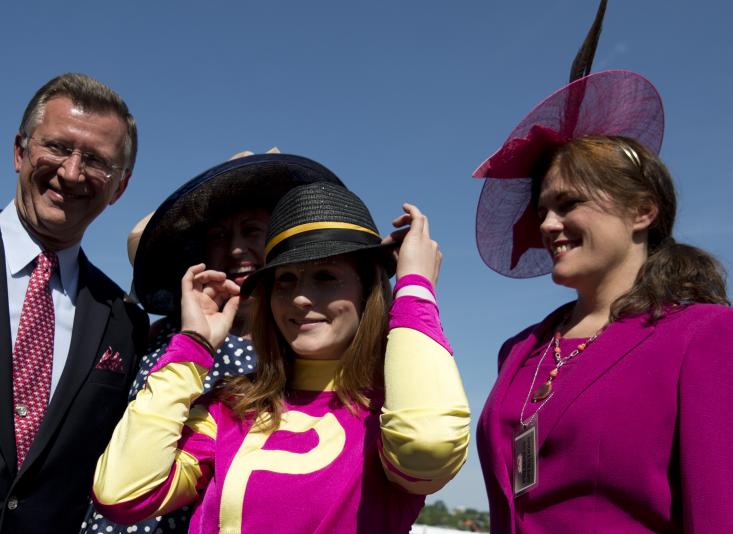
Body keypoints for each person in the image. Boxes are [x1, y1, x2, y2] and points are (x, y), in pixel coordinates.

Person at [472, 4, 733, 532]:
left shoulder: (711, 337)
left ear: (643, 211)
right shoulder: (521, 349)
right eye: (542, 209)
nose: (548, 224)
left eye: (569, 204)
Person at [92, 179, 471, 532]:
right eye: (285, 280)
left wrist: (414, 288)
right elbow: (122, 492)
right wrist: (193, 344)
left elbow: (429, 448)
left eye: (325, 276)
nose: (301, 297)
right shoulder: (230, 406)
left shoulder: (394, 412)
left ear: (365, 291)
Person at [81, 150, 340, 533]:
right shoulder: (165, 331)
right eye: (219, 236)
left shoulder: (300, 355)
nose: (235, 249)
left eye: (252, 231)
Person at [0, 72, 148, 533]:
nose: (71, 173)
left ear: (119, 187)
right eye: (59, 148)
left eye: (97, 161)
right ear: (21, 152)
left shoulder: (124, 321)